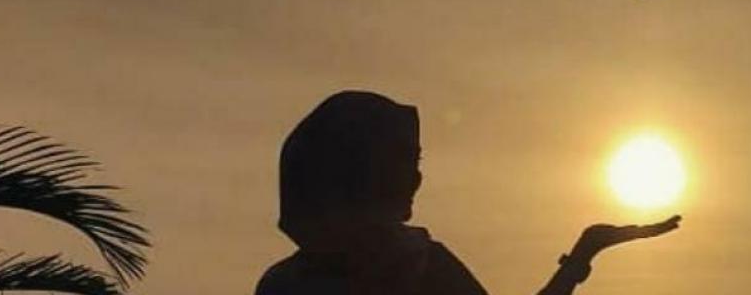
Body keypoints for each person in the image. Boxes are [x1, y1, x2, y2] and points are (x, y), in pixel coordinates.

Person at [255, 91, 680, 295]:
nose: (415, 179)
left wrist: (582, 255)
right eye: (401, 162)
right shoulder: (285, 287)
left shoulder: (422, 263)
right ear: (356, 168)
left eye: (416, 161)